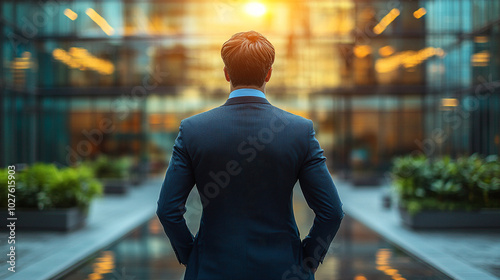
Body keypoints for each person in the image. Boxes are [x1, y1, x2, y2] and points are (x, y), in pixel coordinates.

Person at [156, 30, 344, 280]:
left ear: (226, 74)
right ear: (268, 73)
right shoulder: (299, 131)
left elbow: (168, 209)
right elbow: (331, 212)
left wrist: (192, 256)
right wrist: (306, 259)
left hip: (212, 269)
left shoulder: (193, 130)